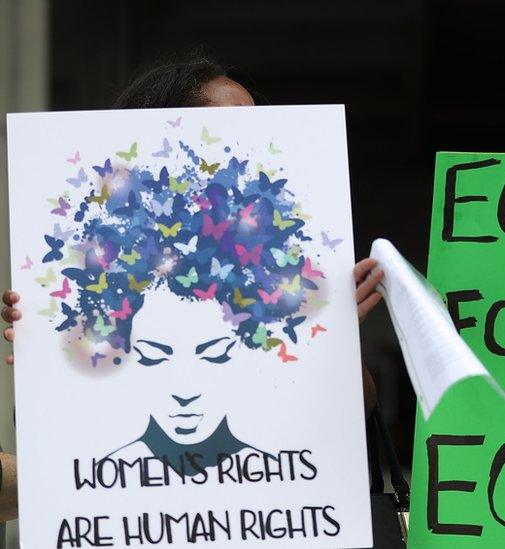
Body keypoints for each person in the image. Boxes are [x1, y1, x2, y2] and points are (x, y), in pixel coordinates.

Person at [0, 51, 385, 515]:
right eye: (230, 128)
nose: (250, 141)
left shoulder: (276, 267)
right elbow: (56, 438)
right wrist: (45, 358)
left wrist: (335, 343)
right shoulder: (110, 268)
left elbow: (347, 418)